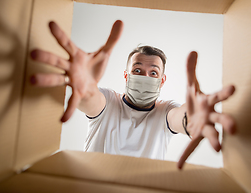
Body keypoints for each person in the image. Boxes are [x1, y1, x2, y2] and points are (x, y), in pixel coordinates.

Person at [30, 20, 236, 169]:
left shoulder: (165, 111)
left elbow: (180, 118)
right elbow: (90, 99)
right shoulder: (109, 101)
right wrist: (84, 88)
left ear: (162, 81)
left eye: (153, 73)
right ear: (126, 76)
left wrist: (191, 119)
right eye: (137, 70)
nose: (145, 76)